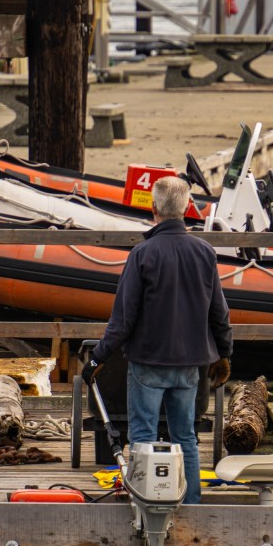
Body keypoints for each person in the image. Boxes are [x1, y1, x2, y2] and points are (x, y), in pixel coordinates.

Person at [83, 176, 232, 504]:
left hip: (148, 361)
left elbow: (123, 319)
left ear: (153, 209)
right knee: (186, 438)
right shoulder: (205, 253)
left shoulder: (142, 253)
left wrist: (98, 357)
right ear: (187, 208)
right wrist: (224, 353)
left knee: (142, 436)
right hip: (190, 363)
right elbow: (219, 312)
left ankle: (145, 504)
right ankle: (191, 504)